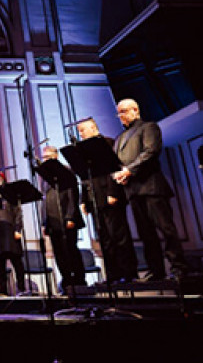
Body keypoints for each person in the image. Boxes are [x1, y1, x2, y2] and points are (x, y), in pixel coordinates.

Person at [111, 98, 189, 280]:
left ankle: (179, 267)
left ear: (135, 110)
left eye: (123, 111)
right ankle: (156, 270)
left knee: (166, 229)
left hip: (152, 187)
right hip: (133, 191)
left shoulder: (149, 127)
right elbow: (118, 163)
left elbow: (151, 151)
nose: (120, 116)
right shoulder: (119, 138)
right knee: (146, 234)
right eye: (118, 113)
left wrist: (129, 170)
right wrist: (119, 175)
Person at [76, 118, 138, 283]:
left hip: (110, 196)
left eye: (82, 130)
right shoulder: (83, 149)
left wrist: (113, 192)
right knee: (104, 239)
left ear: (93, 127)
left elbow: (114, 168)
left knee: (119, 236)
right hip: (95, 199)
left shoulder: (108, 142)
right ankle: (113, 275)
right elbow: (84, 176)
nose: (80, 134)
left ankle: (129, 273)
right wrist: (84, 200)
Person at [40, 145, 86, 293]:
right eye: (44, 158)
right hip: (52, 221)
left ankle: (79, 280)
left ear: (55, 156)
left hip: (66, 218)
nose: (45, 160)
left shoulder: (67, 171)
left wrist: (70, 216)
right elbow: (45, 200)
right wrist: (44, 222)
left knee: (70, 250)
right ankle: (66, 280)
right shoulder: (45, 176)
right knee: (58, 252)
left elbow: (73, 195)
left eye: (48, 157)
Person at [0, 170, 26, 296]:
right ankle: (3, 291)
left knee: (17, 262)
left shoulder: (11, 195)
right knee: (0, 264)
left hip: (10, 231)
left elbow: (18, 213)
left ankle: (22, 289)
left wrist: (18, 229)